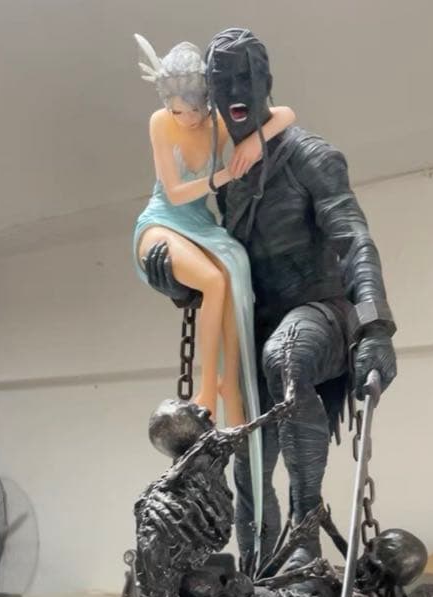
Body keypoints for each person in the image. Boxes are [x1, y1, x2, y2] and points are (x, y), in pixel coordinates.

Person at [142, 28, 397, 569]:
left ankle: (305, 532)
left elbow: (354, 237)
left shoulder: (309, 156)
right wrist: (179, 286)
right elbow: (225, 264)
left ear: (266, 82)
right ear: (211, 91)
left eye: (246, 77)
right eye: (223, 81)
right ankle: (258, 566)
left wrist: (376, 327)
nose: (235, 90)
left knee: (286, 353)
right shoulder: (229, 170)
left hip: (323, 312)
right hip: (257, 320)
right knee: (244, 443)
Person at [133, 35, 296, 547]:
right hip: (163, 222)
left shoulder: (220, 121)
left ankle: (229, 388)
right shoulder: (160, 123)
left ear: (206, 101)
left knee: (231, 272)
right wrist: (227, 172)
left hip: (203, 227)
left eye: (191, 109)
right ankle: (206, 390)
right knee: (210, 280)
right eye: (175, 109)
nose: (183, 117)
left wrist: (251, 142)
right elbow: (175, 191)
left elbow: (285, 114)